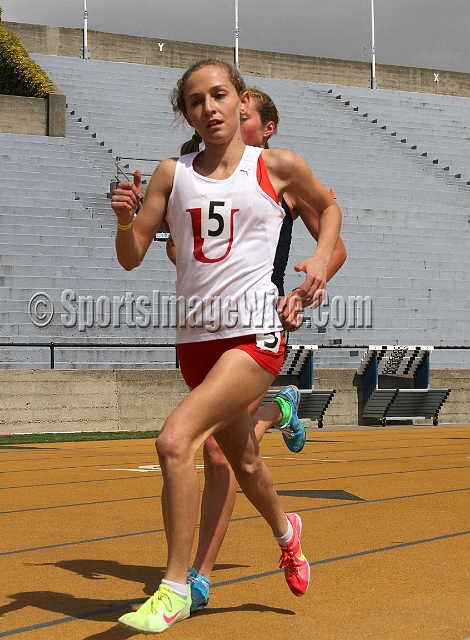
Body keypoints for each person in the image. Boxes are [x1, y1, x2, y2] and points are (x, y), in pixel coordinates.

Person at [112, 58, 342, 634]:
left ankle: (174, 587)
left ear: (242, 102)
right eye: (196, 101)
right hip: (195, 343)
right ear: (185, 113)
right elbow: (132, 255)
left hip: (256, 335)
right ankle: (287, 535)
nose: (208, 108)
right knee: (239, 458)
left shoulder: (278, 166)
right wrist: (124, 221)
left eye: (219, 95)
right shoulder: (172, 173)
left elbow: (331, 210)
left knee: (175, 442)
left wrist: (317, 263)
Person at [178, 87, 346, 613]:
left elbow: (334, 244)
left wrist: (308, 283)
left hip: (262, 323)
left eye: (242, 115)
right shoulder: (201, 171)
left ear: (264, 127)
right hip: (208, 327)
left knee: (212, 448)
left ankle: (198, 574)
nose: (226, 118)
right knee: (238, 450)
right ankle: (282, 412)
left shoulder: (277, 172)